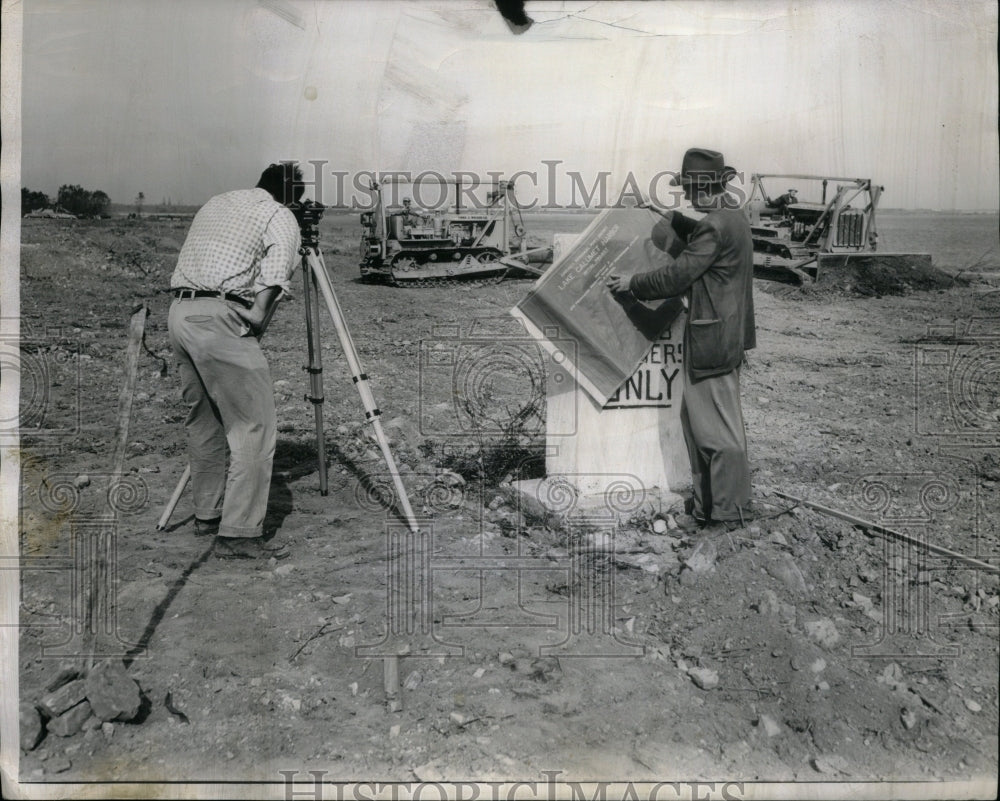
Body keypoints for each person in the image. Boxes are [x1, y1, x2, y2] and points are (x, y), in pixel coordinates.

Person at [607, 148, 756, 531]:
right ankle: (711, 507)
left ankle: (726, 513)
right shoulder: (730, 218)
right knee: (701, 422)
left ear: (702, 188)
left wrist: (632, 284)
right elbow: (698, 232)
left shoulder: (715, 227)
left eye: (688, 190)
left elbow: (677, 276)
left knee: (716, 429)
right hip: (726, 336)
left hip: (713, 339)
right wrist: (663, 213)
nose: (686, 197)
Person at [168, 162, 303, 558]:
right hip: (220, 318)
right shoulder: (279, 214)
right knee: (252, 425)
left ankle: (206, 516)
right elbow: (277, 267)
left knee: (205, 423)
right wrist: (260, 313)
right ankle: (239, 535)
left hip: (179, 313)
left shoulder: (218, 202)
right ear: (291, 195)